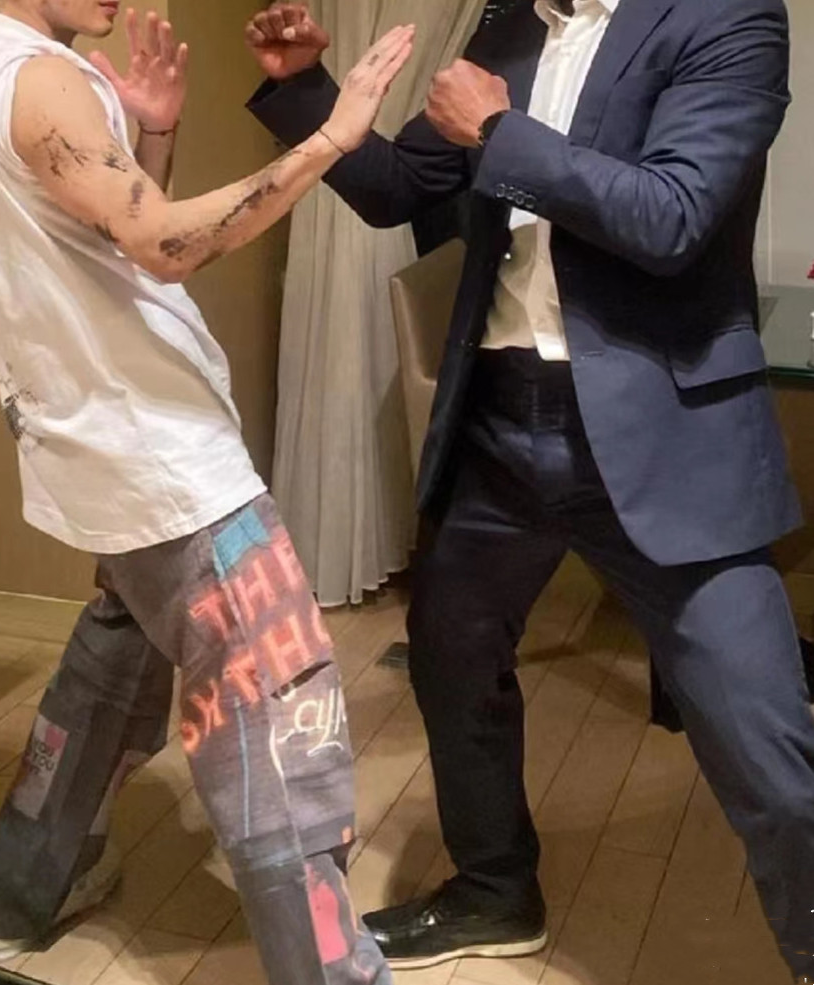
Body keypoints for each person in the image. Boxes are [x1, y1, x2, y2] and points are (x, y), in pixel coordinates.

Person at [245, 1, 814, 982]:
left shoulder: (725, 16)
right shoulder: (508, 26)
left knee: (768, 745)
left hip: (666, 439)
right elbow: (398, 187)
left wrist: (500, 130)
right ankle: (493, 890)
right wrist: (303, 88)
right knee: (451, 654)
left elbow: (672, 215)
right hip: (502, 425)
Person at [0, 3, 416, 983]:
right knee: (279, 714)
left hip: (98, 447)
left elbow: (113, 245)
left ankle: (23, 896)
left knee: (115, 657)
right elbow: (164, 247)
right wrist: (332, 136)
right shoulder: (43, 81)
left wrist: (152, 134)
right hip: (157, 455)